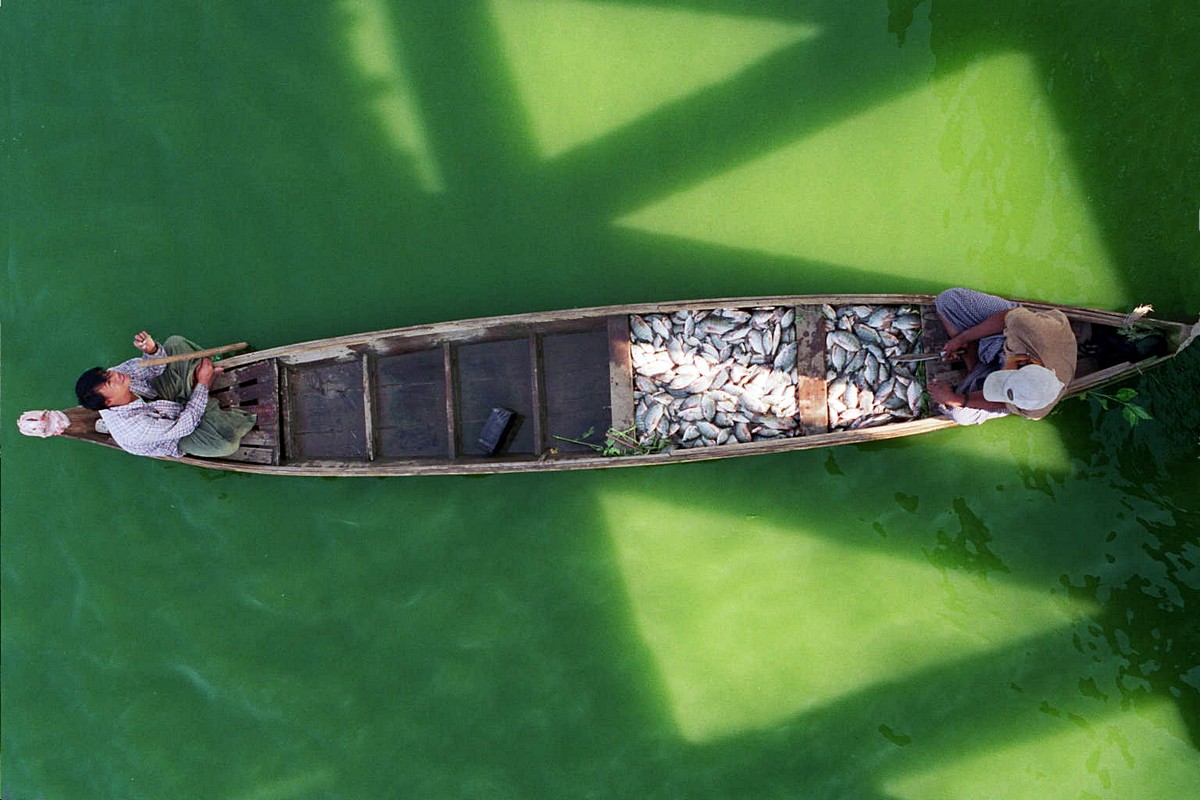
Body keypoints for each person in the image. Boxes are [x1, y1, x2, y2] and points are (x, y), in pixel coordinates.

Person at [74, 331, 255, 457]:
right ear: (109, 402)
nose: (114, 375)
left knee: (175, 344)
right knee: (225, 443)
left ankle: (200, 381)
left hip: (159, 400)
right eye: (108, 382)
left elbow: (155, 368)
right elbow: (184, 426)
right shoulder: (135, 429)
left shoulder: (118, 375)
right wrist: (202, 383)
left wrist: (151, 350)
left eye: (106, 374)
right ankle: (202, 382)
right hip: (175, 433)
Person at [927, 288, 1077, 426]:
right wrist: (961, 339)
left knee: (960, 415)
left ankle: (973, 361)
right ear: (1024, 361)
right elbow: (1006, 318)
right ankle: (970, 351)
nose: (1000, 381)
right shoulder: (1029, 328)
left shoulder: (1035, 408)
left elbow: (1002, 403)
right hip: (1010, 328)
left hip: (1011, 355)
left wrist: (956, 400)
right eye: (1003, 379)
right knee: (947, 300)